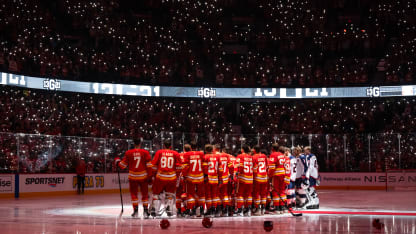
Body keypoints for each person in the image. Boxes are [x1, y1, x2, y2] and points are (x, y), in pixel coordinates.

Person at [115, 138, 152, 218]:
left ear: (133, 143)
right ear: (140, 143)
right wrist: (150, 176)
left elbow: (122, 166)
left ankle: (135, 211)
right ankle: (145, 211)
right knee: (145, 195)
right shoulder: (145, 152)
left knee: (134, 194)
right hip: (143, 176)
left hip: (133, 177)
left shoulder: (128, 153)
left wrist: (117, 161)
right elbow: (149, 166)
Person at [149, 139, 182, 217]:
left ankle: (154, 209)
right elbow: (179, 166)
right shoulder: (175, 153)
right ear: (170, 146)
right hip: (171, 178)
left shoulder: (159, 152)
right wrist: (176, 176)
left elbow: (153, 165)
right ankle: (169, 209)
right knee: (170, 194)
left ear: (164, 146)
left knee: (156, 194)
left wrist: (154, 175)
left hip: (160, 177)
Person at [182, 142, 205, 217]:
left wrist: (185, 176)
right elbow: (204, 165)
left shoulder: (187, 154)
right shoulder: (201, 154)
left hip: (191, 177)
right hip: (200, 177)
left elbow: (185, 166)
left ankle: (192, 209)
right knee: (201, 194)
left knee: (190, 194)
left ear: (191, 147)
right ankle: (201, 209)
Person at [235, 144, 254, 216]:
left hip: (242, 178)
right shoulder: (251, 157)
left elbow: (237, 166)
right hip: (250, 178)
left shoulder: (240, 156)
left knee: (240, 194)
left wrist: (236, 174)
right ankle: (248, 210)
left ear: (242, 149)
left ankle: (240, 210)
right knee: (248, 195)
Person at [202, 144, 220, 217]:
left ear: (206, 150)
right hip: (215, 178)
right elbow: (220, 169)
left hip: (208, 178)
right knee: (214, 195)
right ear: (212, 150)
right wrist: (220, 178)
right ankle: (215, 209)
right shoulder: (217, 157)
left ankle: (209, 210)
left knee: (208, 195)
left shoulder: (205, 157)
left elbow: (205, 168)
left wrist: (205, 176)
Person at [268, 144, 286, 214]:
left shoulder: (273, 155)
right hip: (283, 174)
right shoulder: (281, 154)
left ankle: (277, 208)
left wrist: (269, 176)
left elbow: (272, 168)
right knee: (282, 191)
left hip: (276, 175)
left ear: (272, 148)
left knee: (275, 191)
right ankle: (282, 208)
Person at [217, 146, 234, 216]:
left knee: (218, 194)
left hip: (219, 177)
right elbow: (231, 166)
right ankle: (226, 210)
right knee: (225, 194)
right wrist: (231, 174)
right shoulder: (228, 156)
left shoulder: (217, 156)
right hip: (226, 177)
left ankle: (219, 210)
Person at [252, 145, 268, 215]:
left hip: (258, 177)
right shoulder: (264, 156)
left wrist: (253, 177)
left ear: (255, 150)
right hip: (264, 177)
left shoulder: (254, 157)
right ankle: (263, 209)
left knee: (257, 194)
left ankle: (258, 209)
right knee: (263, 194)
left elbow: (255, 168)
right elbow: (267, 166)